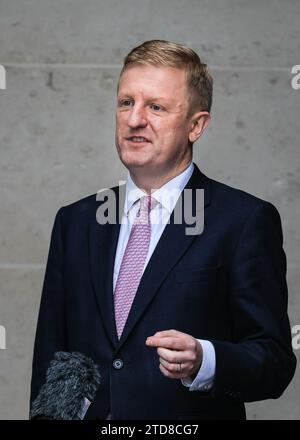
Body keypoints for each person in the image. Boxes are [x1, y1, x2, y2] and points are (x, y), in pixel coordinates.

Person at [30, 40, 296, 420]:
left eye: (155, 107)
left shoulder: (243, 221)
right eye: (126, 103)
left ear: (196, 125)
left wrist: (205, 359)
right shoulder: (75, 222)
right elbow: (50, 363)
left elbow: (273, 362)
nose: (135, 119)